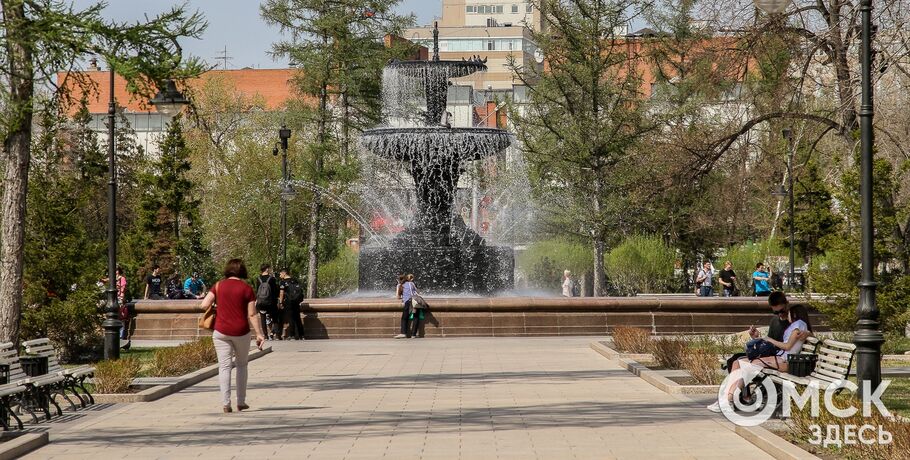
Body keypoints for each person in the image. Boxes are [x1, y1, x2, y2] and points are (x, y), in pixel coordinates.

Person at [708, 293, 813, 413]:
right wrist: (757, 338)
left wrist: (808, 334)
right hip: (775, 356)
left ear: (788, 307)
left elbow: (790, 343)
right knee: (736, 361)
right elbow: (771, 345)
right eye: (776, 312)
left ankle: (731, 398)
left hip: (782, 359)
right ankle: (726, 399)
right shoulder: (779, 322)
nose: (780, 315)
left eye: (783, 311)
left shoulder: (796, 325)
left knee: (743, 364)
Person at [199, 258, 265, 413]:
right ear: (242, 271)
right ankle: (241, 402)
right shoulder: (247, 288)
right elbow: (252, 314)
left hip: (221, 331)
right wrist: (259, 334)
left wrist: (217, 304)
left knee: (224, 367)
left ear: (227, 269)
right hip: (241, 332)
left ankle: (226, 403)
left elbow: (204, 305)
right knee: (242, 365)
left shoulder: (218, 285)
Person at [277, 268, 305, 340]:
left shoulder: (283, 282)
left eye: (280, 274)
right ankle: (302, 335)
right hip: (296, 301)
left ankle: (292, 335)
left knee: (291, 318)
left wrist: (280, 302)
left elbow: (281, 292)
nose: (280, 275)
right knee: (297, 318)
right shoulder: (295, 280)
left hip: (288, 301)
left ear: (284, 273)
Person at [255, 264, 280, 340]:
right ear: (266, 269)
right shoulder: (271, 279)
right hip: (271, 302)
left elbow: (257, 290)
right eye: (269, 268)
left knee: (263, 318)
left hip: (261, 302)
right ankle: (276, 335)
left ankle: (265, 336)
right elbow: (275, 291)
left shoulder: (258, 279)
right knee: (275, 318)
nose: (270, 269)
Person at [394, 274, 408, 339]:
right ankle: (414, 334)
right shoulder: (411, 284)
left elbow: (398, 297)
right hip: (414, 301)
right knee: (415, 317)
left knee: (404, 318)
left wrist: (397, 287)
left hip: (407, 303)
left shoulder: (400, 285)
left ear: (398, 280)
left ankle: (403, 333)